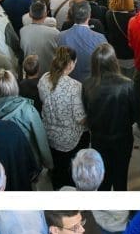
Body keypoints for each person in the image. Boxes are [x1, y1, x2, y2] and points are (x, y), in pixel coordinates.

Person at [81, 45, 134, 191]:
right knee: (121, 178)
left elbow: (86, 110)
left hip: (99, 139)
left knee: (103, 178)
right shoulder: (127, 84)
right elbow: (135, 114)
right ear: (114, 61)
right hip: (122, 138)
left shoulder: (87, 84)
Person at [38, 46, 87, 189]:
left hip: (49, 135)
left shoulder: (43, 79)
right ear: (71, 64)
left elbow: (43, 101)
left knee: (58, 169)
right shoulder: (75, 87)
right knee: (70, 171)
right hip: (70, 139)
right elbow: (80, 118)